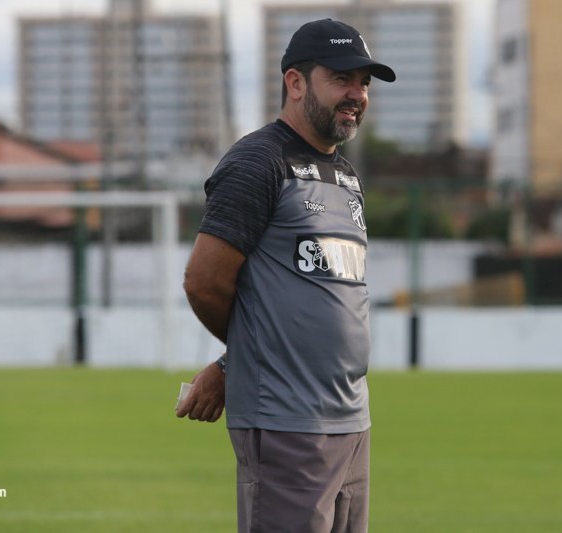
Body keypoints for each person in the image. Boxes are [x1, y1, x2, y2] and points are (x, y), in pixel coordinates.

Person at [176, 18, 395, 533]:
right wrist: (247, 359)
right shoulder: (257, 162)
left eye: (363, 83)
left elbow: (304, 299)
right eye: (341, 79)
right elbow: (204, 282)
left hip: (351, 420)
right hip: (287, 423)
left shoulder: (345, 174)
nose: (357, 94)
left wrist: (231, 361)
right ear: (295, 83)